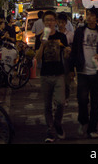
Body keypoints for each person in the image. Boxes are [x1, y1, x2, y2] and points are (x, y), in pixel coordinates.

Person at [69, 6, 98, 139]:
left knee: (96, 102)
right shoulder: (80, 31)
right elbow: (74, 50)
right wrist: (71, 69)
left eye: (92, 15)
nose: (89, 17)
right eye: (88, 15)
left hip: (97, 72)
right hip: (83, 71)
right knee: (82, 99)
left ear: (97, 18)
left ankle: (92, 128)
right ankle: (83, 120)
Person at [34, 11, 70, 142]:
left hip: (59, 73)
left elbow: (66, 55)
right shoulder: (39, 37)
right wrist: (43, 44)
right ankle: (50, 130)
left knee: (60, 102)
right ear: (43, 22)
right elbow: (37, 58)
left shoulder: (61, 36)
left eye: (51, 20)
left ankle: (57, 123)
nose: (49, 22)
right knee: (47, 105)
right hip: (45, 75)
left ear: (55, 21)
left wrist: (67, 52)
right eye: (47, 20)